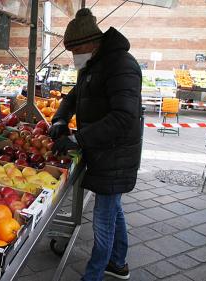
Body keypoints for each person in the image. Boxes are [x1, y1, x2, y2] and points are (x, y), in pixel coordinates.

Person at [48, 8, 142, 281]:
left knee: (104, 218)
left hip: (115, 154)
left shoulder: (121, 65)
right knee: (113, 208)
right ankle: (118, 263)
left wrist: (78, 138)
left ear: (90, 43)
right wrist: (60, 120)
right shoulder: (93, 65)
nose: (73, 56)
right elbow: (72, 98)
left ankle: (93, 275)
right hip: (102, 152)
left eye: (74, 50)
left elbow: (123, 117)